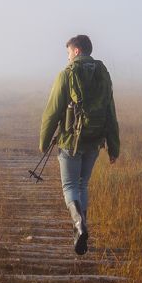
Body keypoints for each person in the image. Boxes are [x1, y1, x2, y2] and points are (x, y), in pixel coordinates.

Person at [39, 34, 120, 255]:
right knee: (83, 185)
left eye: (68, 53)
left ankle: (78, 225)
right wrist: (114, 147)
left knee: (70, 186)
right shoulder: (103, 73)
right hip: (94, 141)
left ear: (76, 51)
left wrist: (44, 141)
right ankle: (81, 227)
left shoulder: (67, 74)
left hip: (70, 142)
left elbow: (52, 111)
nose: (67, 58)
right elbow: (110, 112)